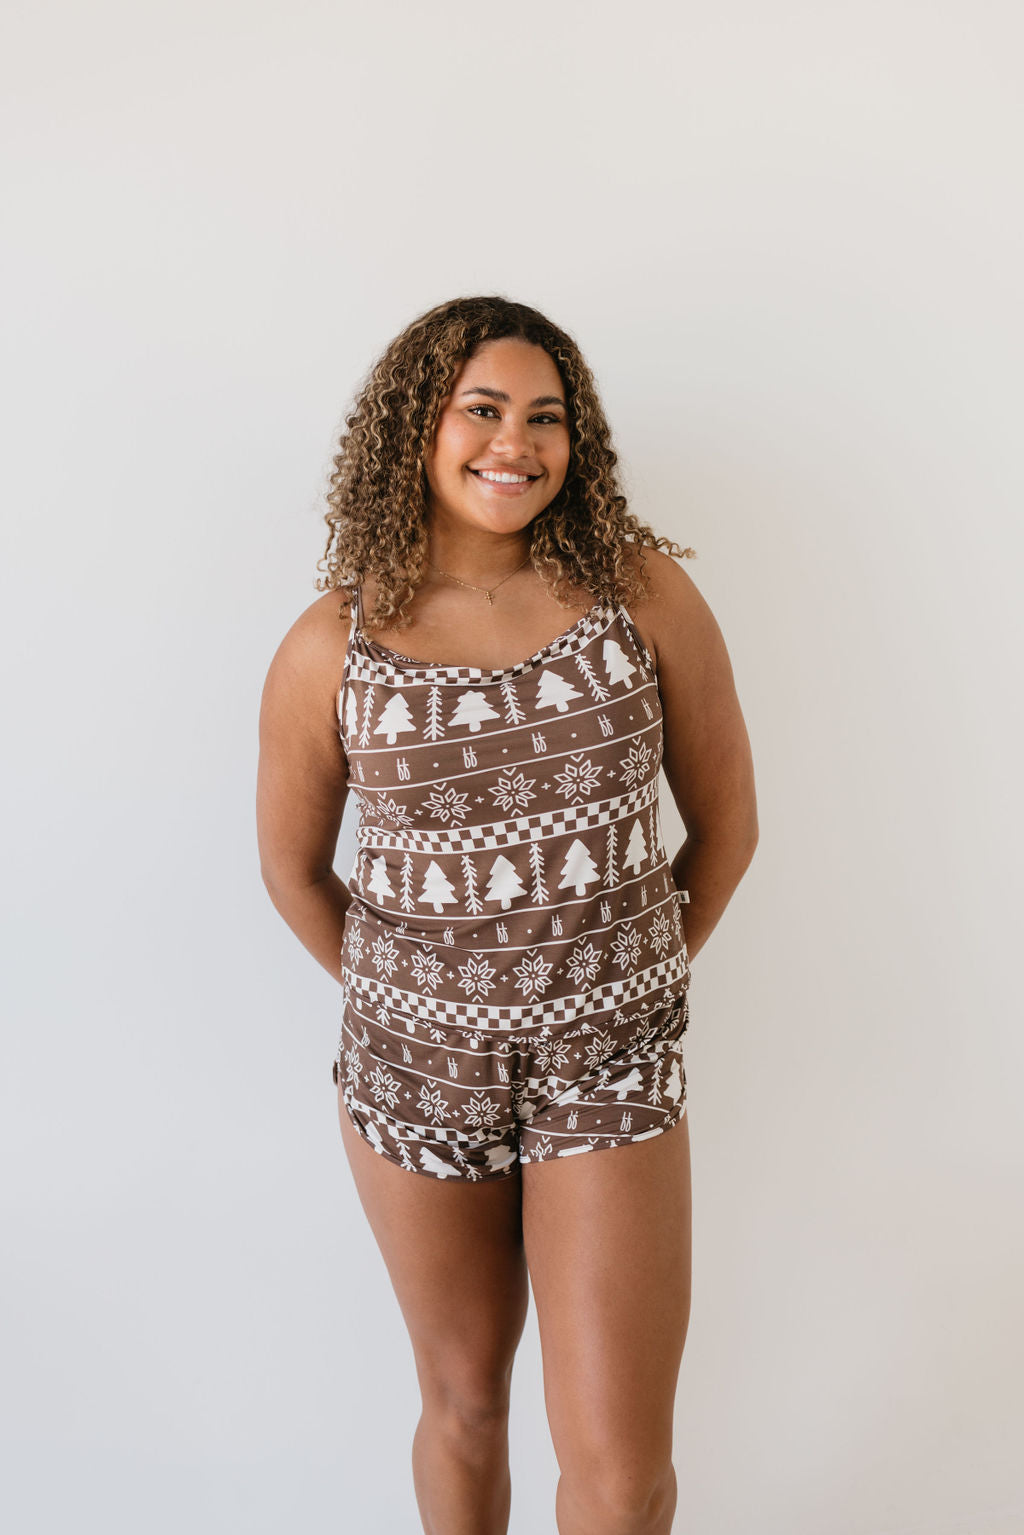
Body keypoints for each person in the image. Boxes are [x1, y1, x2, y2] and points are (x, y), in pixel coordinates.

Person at [256, 295, 758, 1535]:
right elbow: (294, 872)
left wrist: (623, 982)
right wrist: (415, 1001)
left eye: (546, 418)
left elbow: (729, 824)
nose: (514, 443)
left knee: (619, 1468)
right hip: (412, 1074)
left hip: (610, 1059)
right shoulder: (333, 643)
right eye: (482, 409)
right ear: (415, 427)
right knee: (465, 1402)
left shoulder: (639, 597)